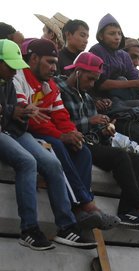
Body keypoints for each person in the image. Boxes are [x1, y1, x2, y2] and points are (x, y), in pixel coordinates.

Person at [14, 38, 120, 230]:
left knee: (83, 150)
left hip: (44, 132)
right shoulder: (19, 76)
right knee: (58, 145)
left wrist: (72, 133)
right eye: (50, 62)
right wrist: (62, 136)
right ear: (34, 58)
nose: (54, 68)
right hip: (23, 132)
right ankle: (84, 206)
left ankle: (83, 207)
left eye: (56, 63)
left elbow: (61, 116)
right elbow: (30, 119)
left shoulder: (50, 85)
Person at [56, 52, 139, 229]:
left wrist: (104, 130)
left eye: (95, 80)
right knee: (119, 156)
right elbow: (59, 122)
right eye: (90, 79)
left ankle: (127, 211)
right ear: (78, 72)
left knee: (138, 159)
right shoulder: (59, 88)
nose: (91, 84)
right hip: (72, 142)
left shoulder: (87, 97)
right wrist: (90, 121)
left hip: (90, 142)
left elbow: (92, 130)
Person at [0, 38, 94, 250]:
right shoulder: (17, 78)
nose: (14, 70)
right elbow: (17, 111)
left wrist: (70, 132)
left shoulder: (10, 80)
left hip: (14, 131)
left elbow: (23, 113)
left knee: (53, 163)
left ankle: (66, 227)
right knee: (27, 162)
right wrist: (12, 111)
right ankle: (29, 229)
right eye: (9, 65)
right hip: (7, 131)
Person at [88, 14, 139, 104]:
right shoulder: (97, 50)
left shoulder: (124, 55)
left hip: (123, 101)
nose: (117, 37)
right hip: (103, 101)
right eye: (112, 33)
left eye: (119, 34)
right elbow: (99, 84)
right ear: (101, 36)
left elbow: (136, 84)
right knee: (122, 80)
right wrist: (136, 83)